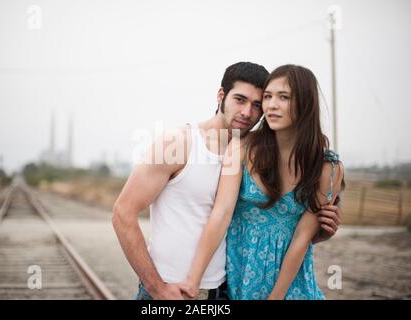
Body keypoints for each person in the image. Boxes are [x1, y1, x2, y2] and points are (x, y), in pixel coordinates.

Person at [111, 62, 342, 300]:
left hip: (225, 287)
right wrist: (156, 287)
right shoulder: (178, 143)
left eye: (256, 104)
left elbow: (273, 222)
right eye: (240, 100)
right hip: (173, 287)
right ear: (221, 95)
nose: (247, 112)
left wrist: (319, 234)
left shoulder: (257, 155)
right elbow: (122, 213)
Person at [179, 64, 344, 300]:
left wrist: (275, 297)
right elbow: (222, 213)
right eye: (267, 97)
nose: (271, 105)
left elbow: (301, 238)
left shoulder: (328, 167)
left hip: (292, 286)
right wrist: (192, 281)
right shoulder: (242, 147)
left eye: (284, 97)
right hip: (238, 282)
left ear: (305, 103)